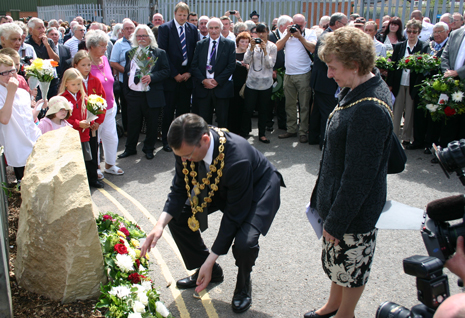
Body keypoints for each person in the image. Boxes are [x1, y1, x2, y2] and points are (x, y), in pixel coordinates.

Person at [140, 113, 284, 314]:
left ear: (205, 140)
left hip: (257, 187)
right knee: (178, 216)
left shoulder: (237, 157)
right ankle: (210, 271)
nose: (183, 159)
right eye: (180, 155)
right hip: (221, 182)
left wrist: (213, 257)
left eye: (187, 156)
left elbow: (234, 216)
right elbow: (180, 188)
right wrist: (159, 225)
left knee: (245, 242)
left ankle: (243, 284)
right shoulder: (184, 145)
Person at [307, 27, 393, 318]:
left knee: (352, 266)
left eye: (333, 67)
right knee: (337, 263)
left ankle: (346, 314)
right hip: (338, 200)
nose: (329, 74)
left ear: (354, 65)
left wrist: (337, 220)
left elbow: (359, 178)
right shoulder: (357, 88)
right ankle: (333, 305)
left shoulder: (369, 108)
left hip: (353, 210)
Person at [119, 24, 169, 160]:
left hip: (152, 95)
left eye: (144, 36)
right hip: (134, 95)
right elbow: (126, 72)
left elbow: (166, 71)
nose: (141, 38)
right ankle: (130, 148)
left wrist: (152, 77)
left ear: (150, 37)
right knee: (133, 124)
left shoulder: (159, 53)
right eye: (139, 36)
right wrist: (126, 93)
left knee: (152, 125)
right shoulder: (130, 53)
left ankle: (149, 149)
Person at [157, 2, 199, 152]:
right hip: (171, 77)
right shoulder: (165, 28)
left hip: (187, 77)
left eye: (185, 15)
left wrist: (189, 72)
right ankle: (167, 140)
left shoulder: (193, 29)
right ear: (174, 14)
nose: (182, 17)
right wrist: (175, 74)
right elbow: (163, 53)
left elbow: (196, 52)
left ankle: (181, 139)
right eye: (180, 15)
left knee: (183, 111)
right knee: (168, 111)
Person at [86, 30, 123, 177]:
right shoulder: (86, 62)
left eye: (106, 45)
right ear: (91, 46)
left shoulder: (105, 60)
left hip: (110, 107)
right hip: (94, 110)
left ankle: (110, 164)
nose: (105, 48)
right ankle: (95, 167)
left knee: (111, 137)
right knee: (95, 139)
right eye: (102, 45)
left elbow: (109, 82)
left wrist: (112, 101)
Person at [0, 54, 42, 184]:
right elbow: (5, 119)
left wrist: (40, 106)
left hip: (32, 142)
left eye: (12, 70)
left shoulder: (23, 93)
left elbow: (28, 119)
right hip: (16, 147)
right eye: (5, 73)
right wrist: (11, 92)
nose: (10, 76)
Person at [59, 68, 103, 189]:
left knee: (90, 158)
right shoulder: (62, 98)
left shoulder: (84, 96)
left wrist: (92, 121)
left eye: (79, 84)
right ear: (66, 83)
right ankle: (79, 183)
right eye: (73, 84)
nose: (76, 86)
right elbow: (63, 118)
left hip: (86, 134)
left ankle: (92, 179)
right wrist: (78, 124)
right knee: (76, 160)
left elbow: (90, 111)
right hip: (72, 135)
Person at [276, 13, 317, 143]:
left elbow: (312, 48)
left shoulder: (310, 33)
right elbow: (277, 47)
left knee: (304, 105)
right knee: (289, 104)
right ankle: (291, 129)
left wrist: (300, 37)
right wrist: (288, 34)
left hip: (303, 74)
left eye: (299, 25)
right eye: (295, 24)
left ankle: (303, 131)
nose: (297, 27)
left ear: (304, 24)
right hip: (289, 74)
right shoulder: (287, 33)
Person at [309, 12, 348, 149]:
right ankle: (325, 143)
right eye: (345, 24)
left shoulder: (327, 34)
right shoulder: (329, 36)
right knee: (327, 112)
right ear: (337, 24)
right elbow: (328, 60)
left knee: (318, 110)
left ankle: (313, 137)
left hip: (320, 81)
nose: (346, 27)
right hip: (325, 81)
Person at [191, 17, 235, 129]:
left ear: (221, 28)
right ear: (207, 29)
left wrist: (217, 81)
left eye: (216, 28)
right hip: (204, 88)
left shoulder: (229, 44)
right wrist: (203, 80)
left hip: (221, 88)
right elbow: (194, 66)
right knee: (204, 122)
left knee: (222, 120)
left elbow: (231, 66)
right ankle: (206, 144)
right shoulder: (200, 44)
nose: (214, 30)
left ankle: (222, 144)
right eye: (211, 28)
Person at [387, 19, 424, 147]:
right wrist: (390, 84)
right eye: (409, 31)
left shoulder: (423, 47)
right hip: (399, 82)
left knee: (409, 112)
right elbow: (392, 66)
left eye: (414, 31)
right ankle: (394, 136)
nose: (411, 34)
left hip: (413, 84)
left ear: (419, 32)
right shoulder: (399, 46)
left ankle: (407, 137)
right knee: (397, 111)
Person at [241, 23, 277, 143]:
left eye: (263, 32)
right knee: (247, 108)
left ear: (267, 32)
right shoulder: (253, 46)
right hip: (252, 82)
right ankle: (245, 131)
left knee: (264, 109)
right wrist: (251, 48)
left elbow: (270, 64)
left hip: (266, 83)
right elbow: (245, 60)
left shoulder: (272, 46)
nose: (261, 35)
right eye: (259, 32)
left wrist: (265, 50)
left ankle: (262, 134)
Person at [110, 19, 135, 134]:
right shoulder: (118, 44)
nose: (129, 31)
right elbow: (113, 62)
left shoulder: (139, 42)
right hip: (124, 80)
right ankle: (126, 129)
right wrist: (127, 71)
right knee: (126, 106)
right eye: (127, 29)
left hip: (139, 81)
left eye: (131, 28)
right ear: (122, 31)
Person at [268, 15, 292, 131]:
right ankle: (269, 122)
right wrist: (273, 69)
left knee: (282, 100)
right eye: (289, 25)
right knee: (271, 99)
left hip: (286, 70)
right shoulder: (272, 36)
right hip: (274, 71)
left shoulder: (291, 36)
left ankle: (282, 123)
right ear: (282, 26)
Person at [26, 18, 59, 100]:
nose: (42, 30)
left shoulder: (49, 42)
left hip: (51, 81)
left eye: (43, 27)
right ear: (31, 30)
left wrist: (47, 45)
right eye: (39, 28)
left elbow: (56, 60)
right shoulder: (27, 44)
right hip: (35, 83)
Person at [228, 31, 250, 135]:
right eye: (242, 41)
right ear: (238, 42)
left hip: (245, 83)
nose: (244, 44)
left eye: (246, 42)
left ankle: (244, 130)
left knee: (244, 108)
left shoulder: (250, 53)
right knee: (233, 107)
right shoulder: (232, 52)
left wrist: (247, 66)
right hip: (233, 83)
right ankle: (233, 130)